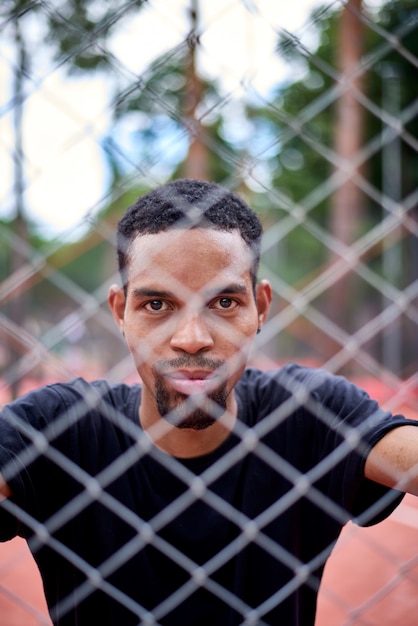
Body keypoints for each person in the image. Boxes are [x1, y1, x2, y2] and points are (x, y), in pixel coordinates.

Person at [0, 178, 417, 626]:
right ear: (120, 311)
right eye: (158, 305)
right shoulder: (57, 427)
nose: (192, 339)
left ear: (260, 307)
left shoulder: (308, 411)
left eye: (223, 301)